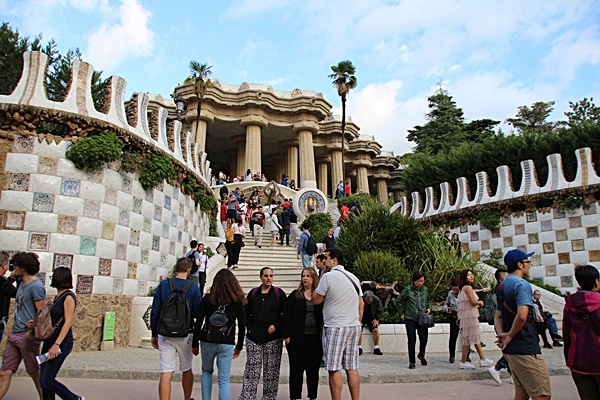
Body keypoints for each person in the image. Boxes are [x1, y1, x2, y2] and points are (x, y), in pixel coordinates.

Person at [495, 249, 551, 400]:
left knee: (522, 393)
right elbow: (522, 315)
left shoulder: (502, 285)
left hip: (511, 347)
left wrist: (502, 335)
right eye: (528, 262)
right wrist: (509, 336)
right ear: (520, 264)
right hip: (525, 343)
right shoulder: (521, 284)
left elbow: (498, 316)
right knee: (542, 394)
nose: (529, 265)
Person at [312, 248, 363, 400]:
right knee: (352, 367)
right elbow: (361, 303)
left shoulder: (328, 277)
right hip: (353, 326)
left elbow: (316, 299)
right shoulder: (353, 277)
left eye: (326, 258)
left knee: (333, 368)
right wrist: (358, 321)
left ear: (334, 260)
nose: (324, 261)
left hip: (335, 326)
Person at [150, 258, 202, 400]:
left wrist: (154, 333)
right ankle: (187, 398)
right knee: (186, 368)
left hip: (165, 333)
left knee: (166, 371)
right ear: (189, 270)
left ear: (175, 268)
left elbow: (155, 311)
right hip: (186, 333)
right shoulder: (193, 287)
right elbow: (198, 313)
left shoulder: (164, 285)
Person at [192, 269, 246, 400]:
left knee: (206, 372)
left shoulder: (208, 299)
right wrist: (239, 346)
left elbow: (198, 321)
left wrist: (195, 343)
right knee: (224, 378)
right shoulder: (237, 301)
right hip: (226, 342)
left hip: (207, 340)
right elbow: (243, 325)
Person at [0, 252, 46, 400]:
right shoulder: (21, 284)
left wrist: (31, 331)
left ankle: (45, 397)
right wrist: (13, 277)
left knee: (33, 371)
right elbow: (5, 290)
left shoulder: (36, 286)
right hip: (14, 334)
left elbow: (41, 313)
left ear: (22, 268)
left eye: (16, 266)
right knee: (5, 372)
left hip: (27, 336)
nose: (13, 268)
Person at [238, 267, 286, 400]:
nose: (269, 278)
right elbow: (245, 312)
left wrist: (276, 326)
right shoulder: (253, 293)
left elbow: (285, 314)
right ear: (261, 277)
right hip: (254, 338)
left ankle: (269, 397)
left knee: (271, 371)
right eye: (266, 276)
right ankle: (247, 396)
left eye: (271, 275)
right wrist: (250, 327)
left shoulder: (278, 293)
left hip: (273, 339)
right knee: (252, 369)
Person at [39, 267, 85, 400]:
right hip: (49, 341)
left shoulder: (68, 297)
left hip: (61, 343)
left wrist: (56, 344)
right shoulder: (58, 296)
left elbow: (68, 321)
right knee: (44, 381)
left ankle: (74, 398)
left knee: (47, 380)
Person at [283, 268, 324, 400]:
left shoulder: (319, 295)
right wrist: (286, 335)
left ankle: (312, 395)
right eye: (303, 276)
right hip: (297, 338)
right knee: (296, 370)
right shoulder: (295, 295)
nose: (305, 278)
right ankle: (295, 396)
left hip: (315, 339)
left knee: (313, 370)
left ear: (313, 278)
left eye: (308, 276)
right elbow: (286, 316)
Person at [563, 264, 600, 400]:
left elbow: (567, 335)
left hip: (578, 362)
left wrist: (569, 358)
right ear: (596, 281)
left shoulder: (570, 304)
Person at [457, 269, 493, 369]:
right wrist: (480, 302)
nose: (471, 276)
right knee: (471, 339)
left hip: (468, 316)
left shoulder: (464, 288)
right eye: (469, 275)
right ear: (465, 277)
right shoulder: (468, 288)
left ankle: (480, 359)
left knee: (471, 339)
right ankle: (472, 360)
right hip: (470, 316)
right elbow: (473, 302)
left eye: (472, 274)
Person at [395, 271, 431, 369]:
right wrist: (402, 313)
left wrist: (428, 307)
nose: (420, 283)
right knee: (412, 339)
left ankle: (421, 354)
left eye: (422, 281)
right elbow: (398, 300)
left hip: (422, 317)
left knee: (424, 339)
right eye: (419, 281)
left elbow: (428, 300)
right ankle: (412, 361)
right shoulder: (408, 290)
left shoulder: (425, 290)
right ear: (414, 281)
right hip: (410, 317)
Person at [487, 269, 512, 385]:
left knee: (510, 349)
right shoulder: (502, 290)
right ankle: (498, 367)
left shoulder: (499, 289)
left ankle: (512, 374)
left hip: (503, 323)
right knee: (511, 348)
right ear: (502, 278)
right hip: (505, 323)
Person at [358, 291, 384, 356]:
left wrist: (377, 319)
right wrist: (359, 320)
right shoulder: (360, 299)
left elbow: (380, 310)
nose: (369, 302)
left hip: (372, 317)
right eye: (367, 301)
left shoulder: (376, 300)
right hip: (362, 317)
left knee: (375, 330)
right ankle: (359, 347)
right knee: (359, 330)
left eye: (370, 301)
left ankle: (376, 347)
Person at [0, 253, 17, 342]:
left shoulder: (3, 282)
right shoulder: (2, 282)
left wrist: (11, 278)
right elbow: (17, 293)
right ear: (3, 266)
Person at [443, 279, 460, 363]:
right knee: (453, 336)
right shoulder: (450, 294)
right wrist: (446, 309)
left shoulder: (464, 294)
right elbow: (446, 303)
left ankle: (466, 355)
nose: (455, 291)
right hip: (453, 315)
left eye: (456, 289)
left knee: (466, 337)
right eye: (453, 289)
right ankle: (451, 355)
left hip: (462, 316)